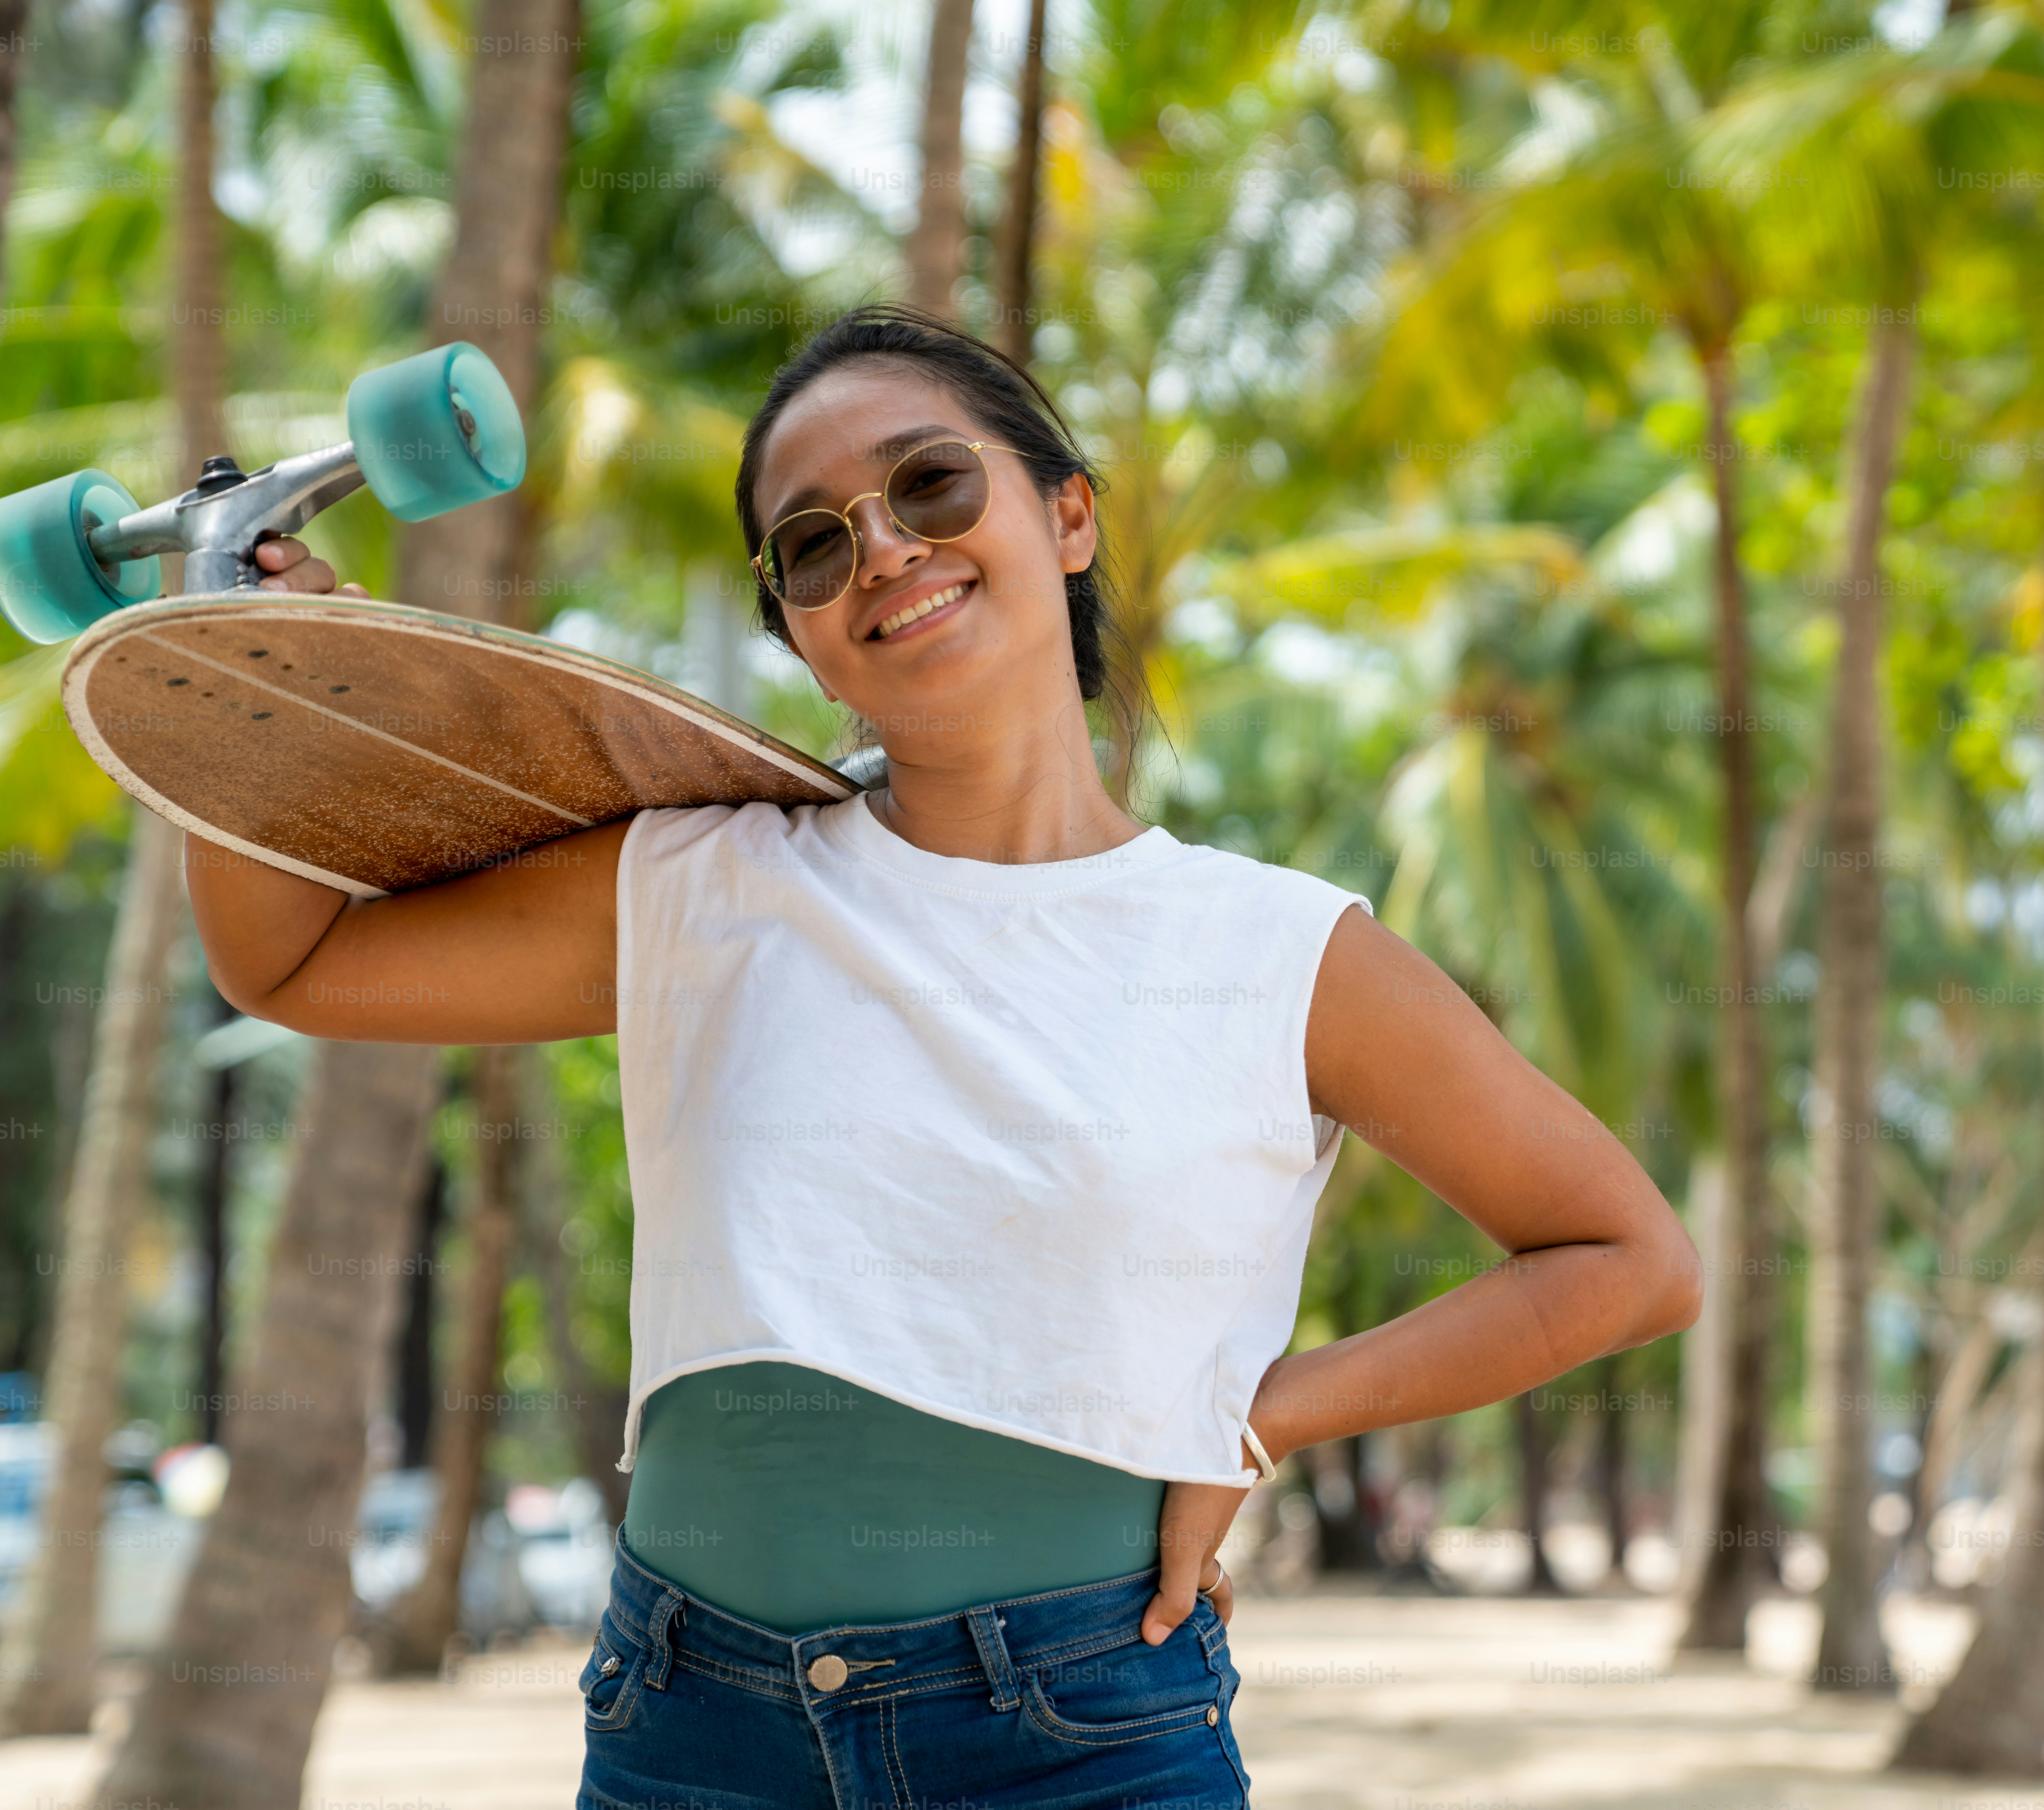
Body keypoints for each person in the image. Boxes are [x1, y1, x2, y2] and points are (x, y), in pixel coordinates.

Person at [200, 304, 1701, 1809]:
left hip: (1080, 1741)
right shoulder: (701, 883)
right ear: (793, 621)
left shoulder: (1275, 953)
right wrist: (244, 665)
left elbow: (1624, 1256)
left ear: (1063, 513)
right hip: (693, 1736)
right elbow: (293, 958)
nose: (885, 554)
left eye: (928, 485)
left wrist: (1264, 1418)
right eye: (813, 544)